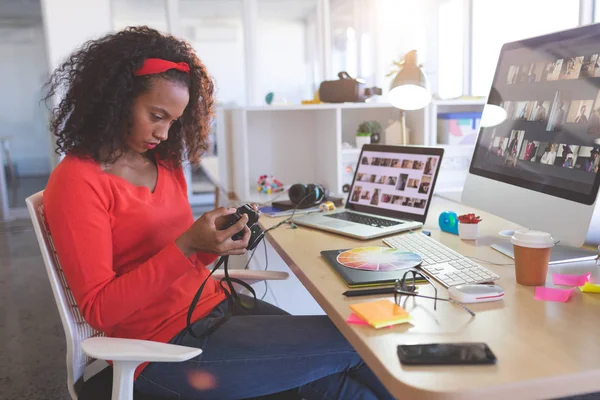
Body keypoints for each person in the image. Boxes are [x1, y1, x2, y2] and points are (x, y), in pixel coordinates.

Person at [42, 27, 393, 400]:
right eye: (156, 115)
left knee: (351, 368)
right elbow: (100, 310)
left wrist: (215, 243)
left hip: (212, 307)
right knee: (361, 346)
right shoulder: (78, 181)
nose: (163, 133)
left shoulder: (164, 163)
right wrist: (187, 245)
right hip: (161, 348)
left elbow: (183, 259)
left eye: (173, 121)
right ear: (118, 99)